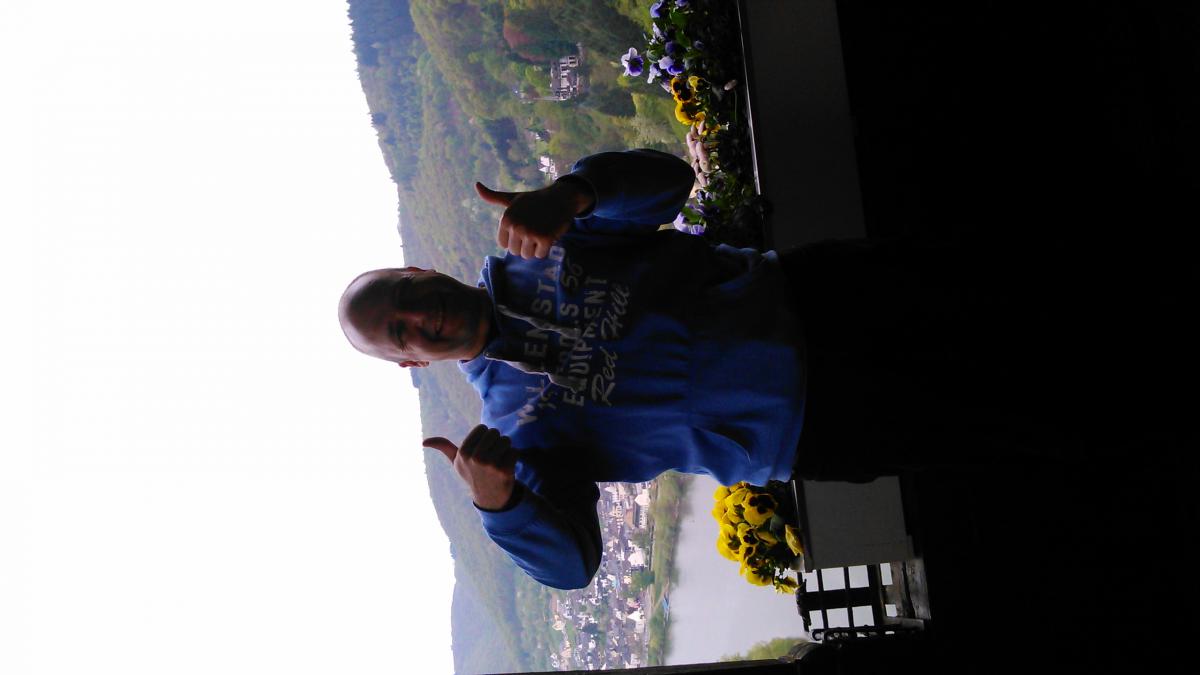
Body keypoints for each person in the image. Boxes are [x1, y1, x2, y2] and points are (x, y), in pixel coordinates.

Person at [339, 148, 1195, 590]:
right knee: (1030, 419)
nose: (418, 318)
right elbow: (572, 565)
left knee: (1037, 290)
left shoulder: (541, 238)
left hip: (827, 293)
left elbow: (667, 184)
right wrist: (500, 507)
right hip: (821, 422)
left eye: (405, 296)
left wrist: (573, 193)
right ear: (408, 360)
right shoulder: (516, 436)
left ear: (420, 269)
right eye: (400, 333)